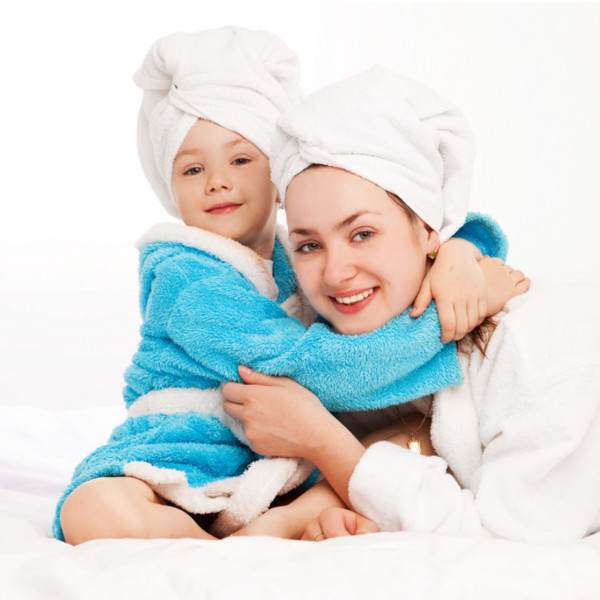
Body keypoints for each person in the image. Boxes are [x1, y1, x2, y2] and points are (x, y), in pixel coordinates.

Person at [55, 31, 518, 545]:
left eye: (240, 160)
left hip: (281, 466)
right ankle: (212, 549)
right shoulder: (184, 275)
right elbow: (313, 369)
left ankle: (281, 521)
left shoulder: (303, 253)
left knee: (402, 438)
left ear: (281, 178)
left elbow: (418, 224)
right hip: (179, 457)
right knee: (92, 511)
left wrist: (462, 251)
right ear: (171, 188)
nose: (217, 182)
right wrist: (445, 323)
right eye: (192, 169)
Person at [222, 65, 599, 545]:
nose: (335, 274)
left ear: (428, 229)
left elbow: (512, 541)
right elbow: (417, 455)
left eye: (362, 234)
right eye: (309, 245)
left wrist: (321, 440)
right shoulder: (357, 357)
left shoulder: (536, 350)